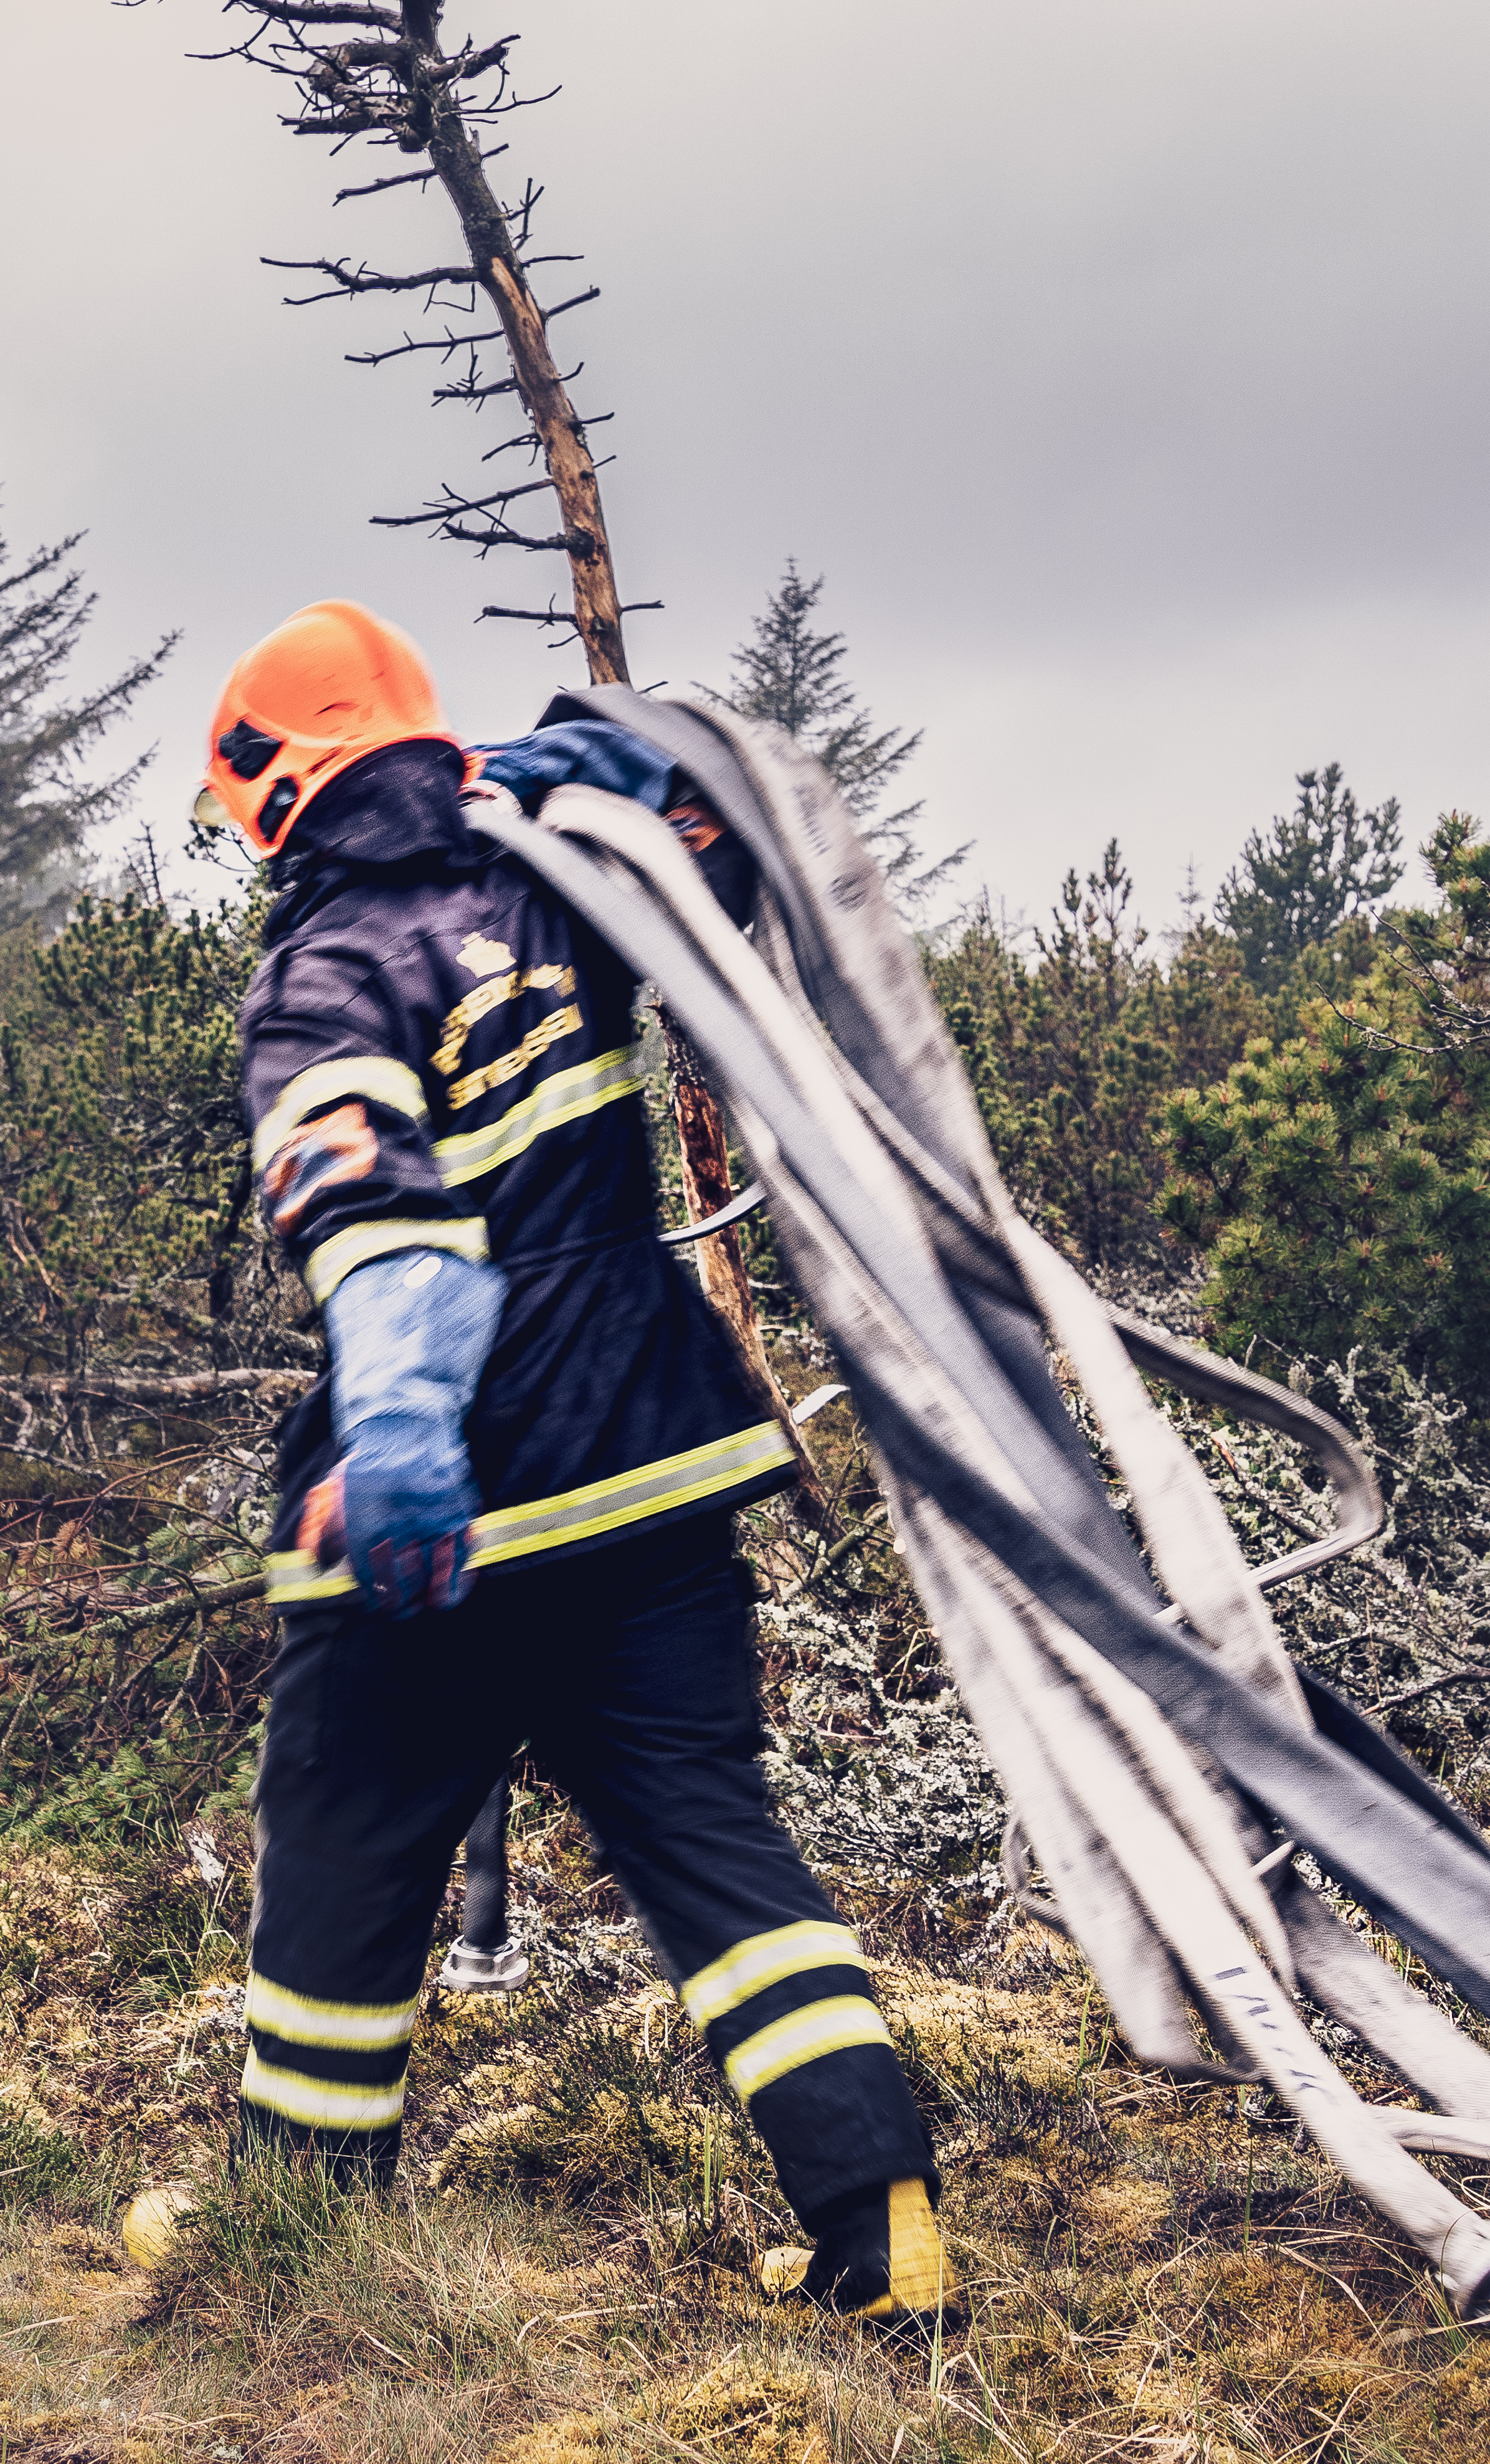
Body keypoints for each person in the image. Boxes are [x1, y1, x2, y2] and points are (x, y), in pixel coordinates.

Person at [143, 600, 949, 2318]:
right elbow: (715, 849)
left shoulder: (324, 974)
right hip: (652, 1475)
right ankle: (884, 2228)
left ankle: (296, 2237)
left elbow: (382, 1226)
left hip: (444, 1524)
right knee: (715, 1848)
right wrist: (620, 765)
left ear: (271, 798)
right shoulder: (556, 875)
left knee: (345, 1865)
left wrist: (406, 1434)